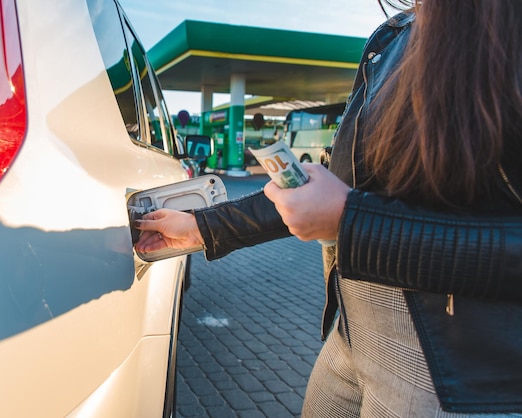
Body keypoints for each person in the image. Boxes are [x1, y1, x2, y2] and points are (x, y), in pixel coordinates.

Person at [134, 0, 522, 416]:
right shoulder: (396, 36)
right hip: (354, 327)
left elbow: (345, 208)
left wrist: (352, 223)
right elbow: (334, 191)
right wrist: (204, 227)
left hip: (450, 369)